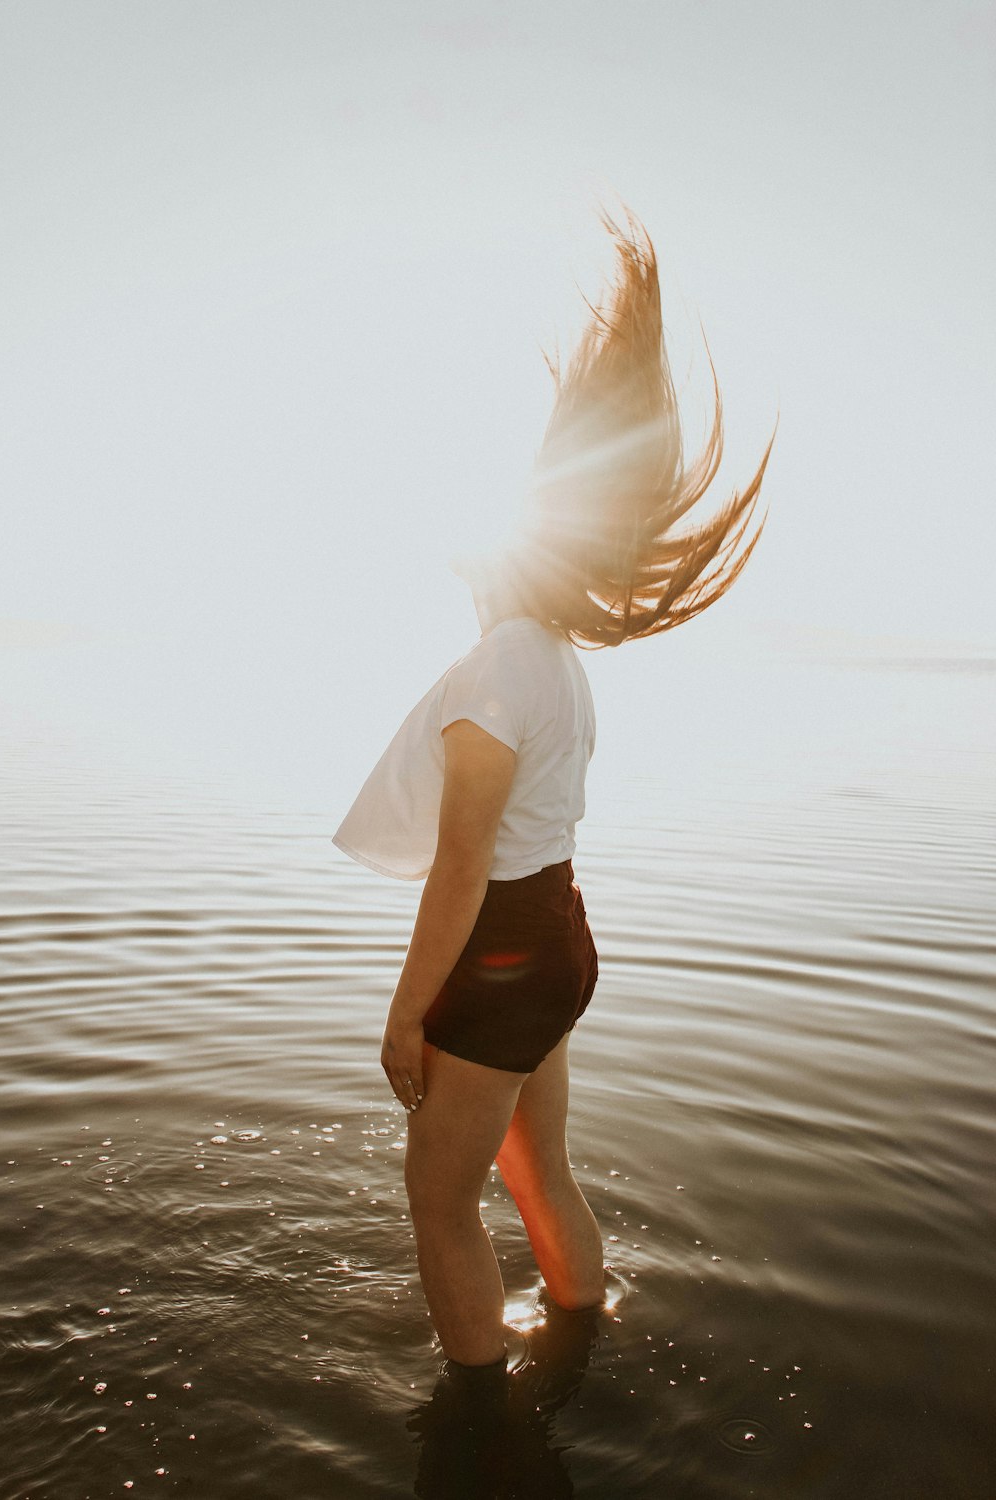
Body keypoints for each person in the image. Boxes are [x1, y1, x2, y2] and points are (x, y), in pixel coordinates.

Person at [332, 204, 777, 1380]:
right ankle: (582, 1331)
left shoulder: (493, 673)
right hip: (563, 940)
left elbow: (463, 868)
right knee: (538, 1167)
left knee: (438, 1207)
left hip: (499, 953)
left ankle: (485, 1419)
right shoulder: (555, 667)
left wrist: (403, 1018)